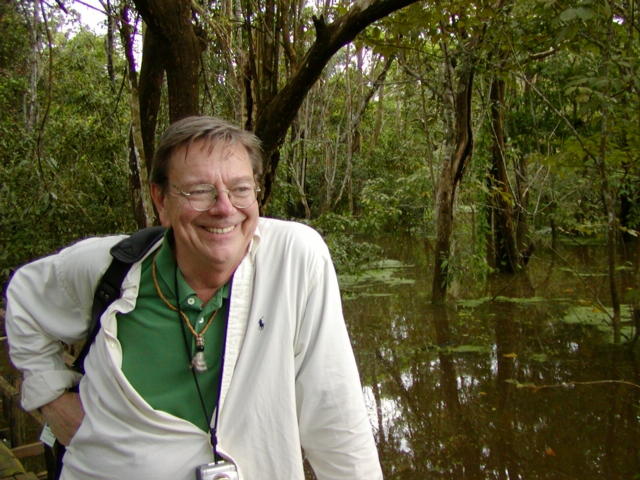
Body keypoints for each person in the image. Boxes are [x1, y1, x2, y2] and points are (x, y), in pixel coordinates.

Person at [5, 116, 383, 480]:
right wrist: (52, 397)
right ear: (161, 200)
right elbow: (24, 298)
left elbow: (335, 416)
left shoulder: (293, 258)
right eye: (199, 190)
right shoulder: (109, 267)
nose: (223, 207)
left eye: (240, 188)